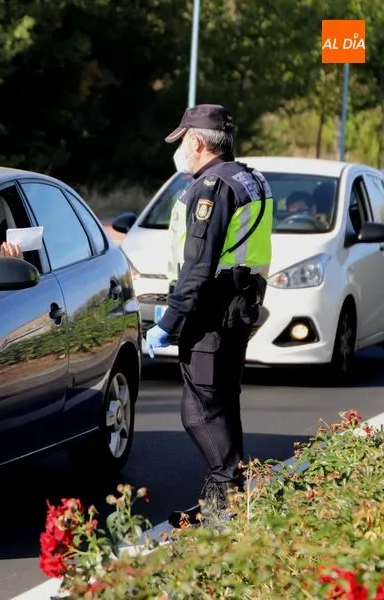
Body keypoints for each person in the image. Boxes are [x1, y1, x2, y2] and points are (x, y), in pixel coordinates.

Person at [143, 104, 274, 528]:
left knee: (199, 411)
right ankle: (220, 503)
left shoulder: (212, 188)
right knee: (221, 404)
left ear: (197, 143)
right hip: (238, 306)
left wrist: (169, 321)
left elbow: (199, 264)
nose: (180, 148)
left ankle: (230, 500)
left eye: (183, 140)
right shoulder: (250, 178)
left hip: (213, 311)